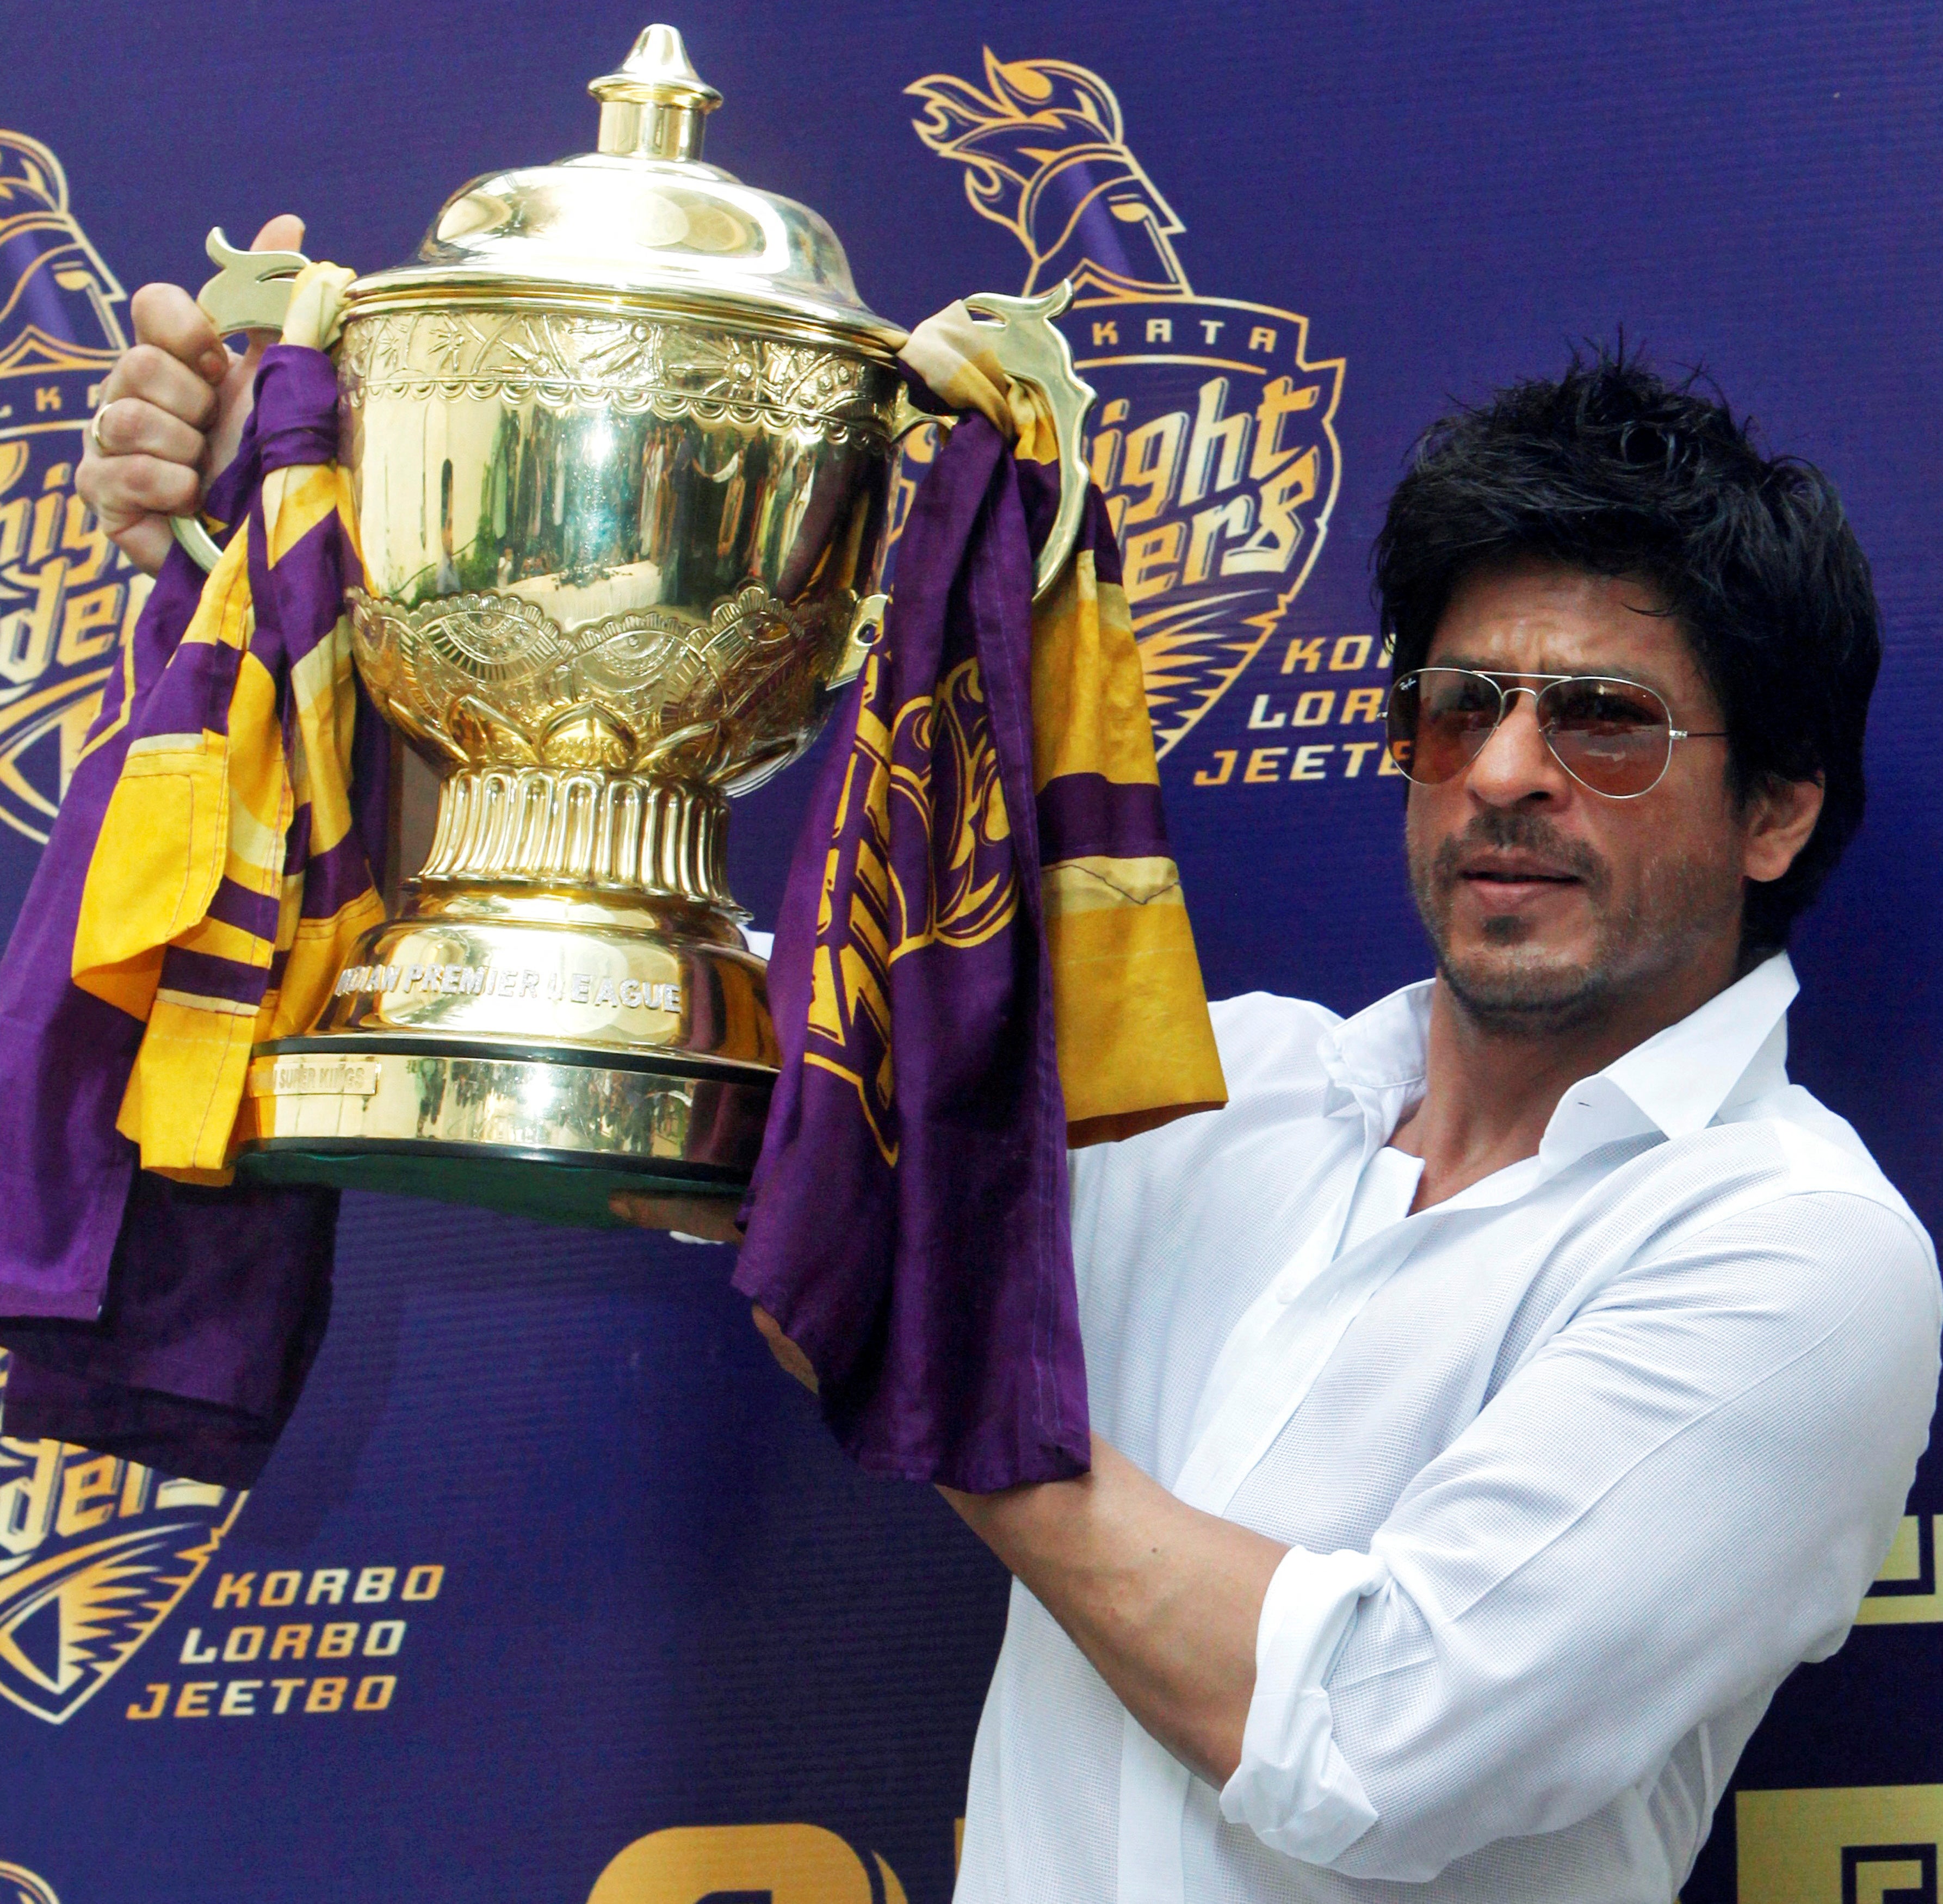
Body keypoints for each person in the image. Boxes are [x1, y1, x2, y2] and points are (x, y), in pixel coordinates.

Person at [83, 243, 1940, 1903]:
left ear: (1774, 809)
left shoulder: (1796, 1252)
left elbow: (1369, 1737)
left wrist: (933, 1357)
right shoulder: (1219, 1093)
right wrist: (302, 549)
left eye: (1603, 721)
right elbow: (712, 1106)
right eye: (1460, 705)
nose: (1508, 771)